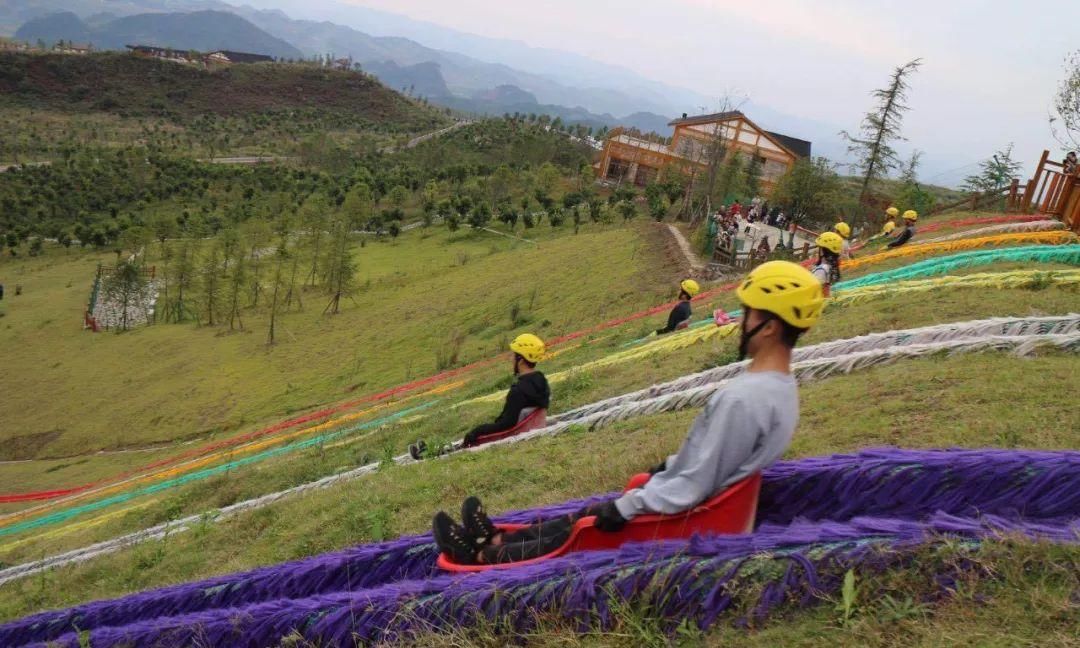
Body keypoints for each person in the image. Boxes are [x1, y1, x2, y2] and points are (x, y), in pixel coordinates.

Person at [431, 261, 825, 565]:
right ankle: (497, 538)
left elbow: (695, 484)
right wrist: (663, 469)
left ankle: (482, 554)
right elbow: (713, 461)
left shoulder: (744, 399)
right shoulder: (780, 390)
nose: (742, 323)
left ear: (769, 327)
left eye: (749, 315)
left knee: (583, 528)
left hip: (685, 519)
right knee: (584, 514)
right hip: (699, 503)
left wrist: (627, 506)